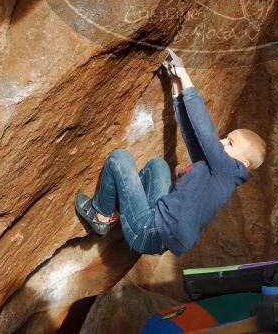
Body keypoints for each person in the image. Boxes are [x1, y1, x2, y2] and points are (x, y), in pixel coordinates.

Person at [74, 49, 267, 256]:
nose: (221, 142)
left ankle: (101, 216)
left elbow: (205, 132)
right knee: (158, 166)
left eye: (229, 143)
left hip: (148, 232)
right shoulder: (217, 172)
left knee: (119, 159)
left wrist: (184, 76)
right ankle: (125, 201)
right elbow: (193, 138)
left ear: (243, 163)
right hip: (158, 224)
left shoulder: (229, 172)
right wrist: (176, 89)